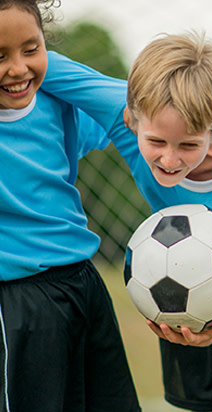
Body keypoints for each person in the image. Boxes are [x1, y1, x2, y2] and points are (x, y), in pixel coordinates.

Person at [40, 33, 212, 412]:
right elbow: (41, 64)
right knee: (203, 401)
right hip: (174, 258)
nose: (169, 159)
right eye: (157, 142)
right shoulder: (124, 111)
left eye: (188, 145)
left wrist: (208, 330)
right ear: (133, 118)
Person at [0, 0, 141, 411]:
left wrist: (55, 68)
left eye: (31, 48)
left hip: (84, 284)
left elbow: (130, 109)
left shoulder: (56, 104)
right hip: (18, 305)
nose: (18, 69)